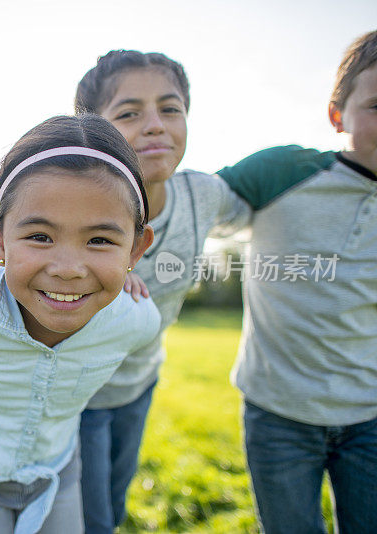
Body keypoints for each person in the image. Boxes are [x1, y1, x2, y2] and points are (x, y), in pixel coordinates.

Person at [0, 114, 161, 534]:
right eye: (40, 237)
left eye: (100, 240)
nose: (68, 269)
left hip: (58, 474)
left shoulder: (135, 321)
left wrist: (118, 272)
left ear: (136, 248)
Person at [73, 50, 251, 531]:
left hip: (139, 383)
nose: (155, 125)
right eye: (129, 112)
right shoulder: (70, 199)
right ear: (93, 128)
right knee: (90, 520)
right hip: (71, 393)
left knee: (114, 495)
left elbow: (262, 211)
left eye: (170, 109)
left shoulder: (204, 193)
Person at [216, 30, 377, 533]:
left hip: (371, 417)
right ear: (338, 116)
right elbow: (199, 205)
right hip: (277, 413)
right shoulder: (285, 172)